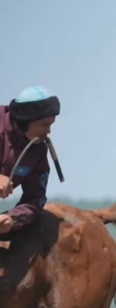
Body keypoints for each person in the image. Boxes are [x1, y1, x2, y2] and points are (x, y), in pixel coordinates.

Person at [0, 86, 59, 236]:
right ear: (26, 119)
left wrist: (12, 219)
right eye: (45, 124)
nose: (48, 131)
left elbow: (35, 198)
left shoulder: (37, 150)